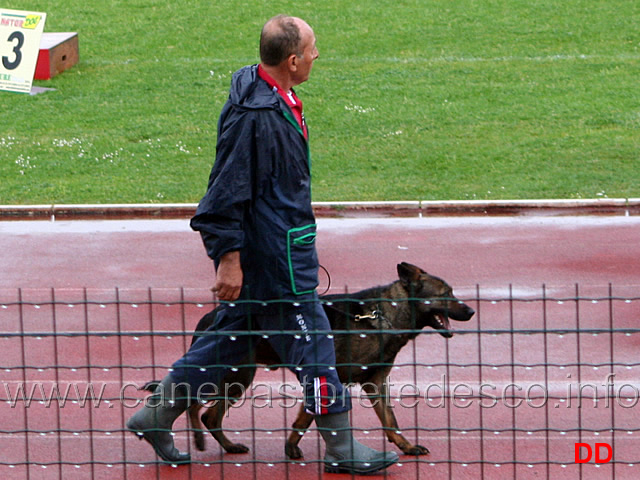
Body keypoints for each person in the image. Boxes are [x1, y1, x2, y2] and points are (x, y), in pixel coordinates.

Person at [127, 15, 398, 475]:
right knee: (316, 348)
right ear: (292, 60)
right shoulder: (256, 116)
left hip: (279, 250)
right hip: (274, 264)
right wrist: (227, 260)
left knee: (229, 342)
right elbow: (222, 194)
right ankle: (341, 448)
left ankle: (155, 414)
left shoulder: (276, 98)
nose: (317, 55)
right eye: (312, 49)